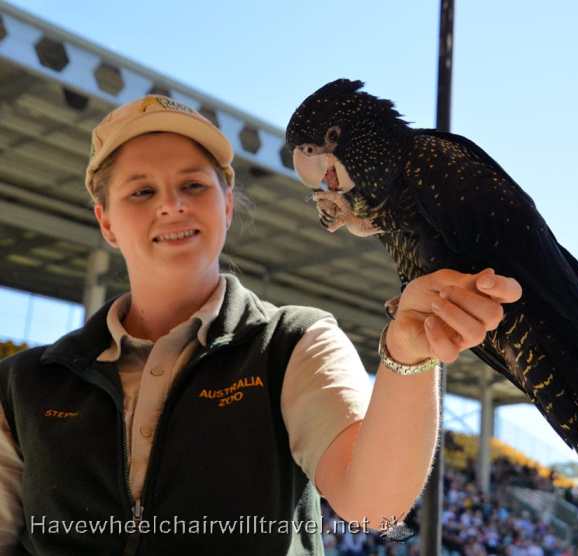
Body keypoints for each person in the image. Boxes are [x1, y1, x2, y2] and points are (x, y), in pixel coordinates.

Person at [0, 95, 522, 554]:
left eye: (193, 185)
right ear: (106, 221)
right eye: (141, 192)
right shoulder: (22, 383)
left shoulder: (296, 341)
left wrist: (409, 356)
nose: (173, 204)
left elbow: (375, 508)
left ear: (227, 205)